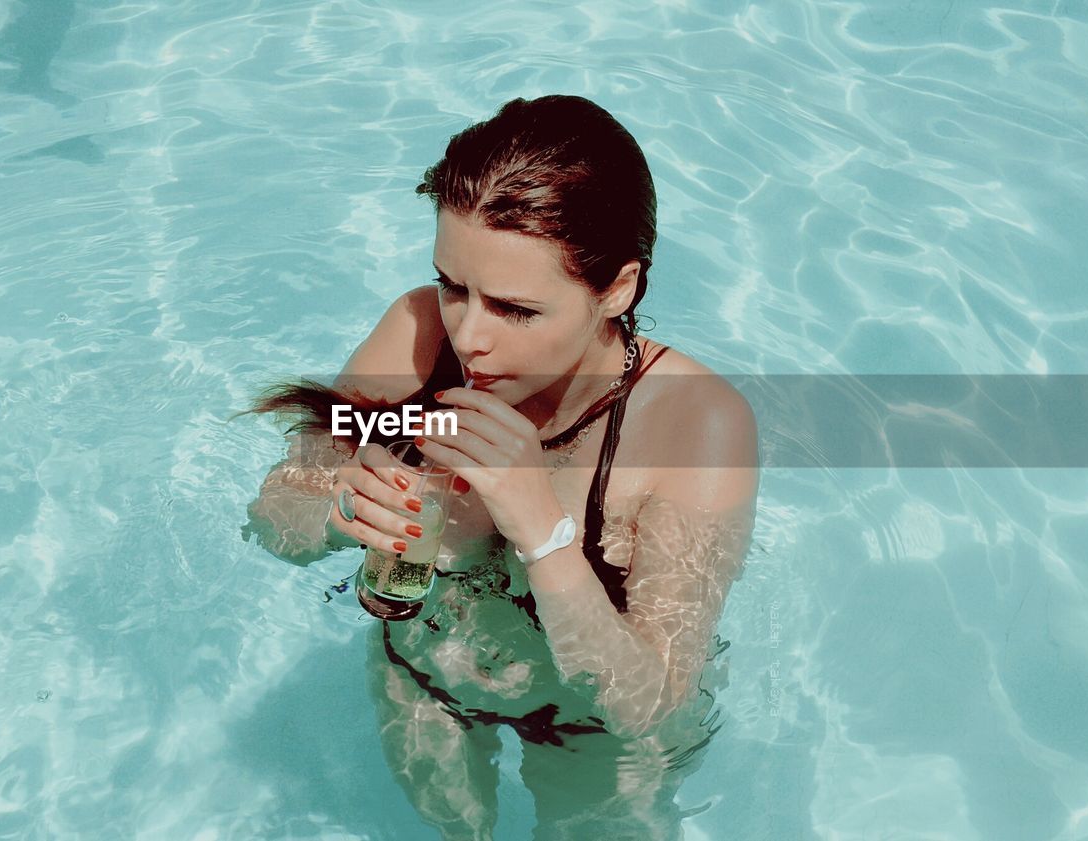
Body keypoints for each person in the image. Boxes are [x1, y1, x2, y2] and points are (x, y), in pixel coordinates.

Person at [241, 95, 758, 841]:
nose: (470, 335)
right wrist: (337, 512)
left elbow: (653, 704)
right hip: (424, 680)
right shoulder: (417, 337)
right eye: (454, 286)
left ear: (617, 289)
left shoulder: (694, 425)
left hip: (589, 735)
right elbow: (271, 519)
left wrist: (544, 533)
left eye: (515, 309)